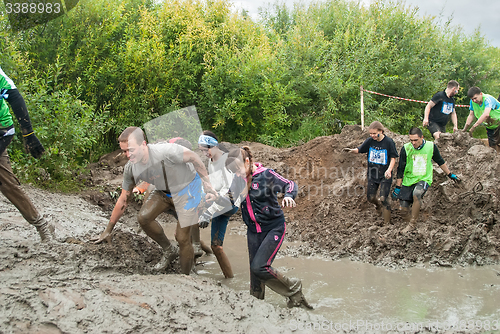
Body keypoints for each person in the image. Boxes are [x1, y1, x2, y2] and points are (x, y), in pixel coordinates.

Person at [93, 127, 216, 275]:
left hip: (188, 190)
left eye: (131, 150)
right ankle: (169, 250)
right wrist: (107, 231)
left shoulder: (166, 151)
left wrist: (208, 187)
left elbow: (194, 158)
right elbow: (123, 199)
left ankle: (186, 276)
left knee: (182, 237)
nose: (127, 155)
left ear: (143, 144)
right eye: (124, 151)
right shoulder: (131, 168)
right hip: (164, 192)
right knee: (143, 218)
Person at [208, 146, 312, 308]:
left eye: (238, 170)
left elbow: (289, 184)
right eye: (233, 172)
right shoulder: (238, 180)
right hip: (253, 231)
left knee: (259, 266)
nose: (237, 174)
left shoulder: (266, 175)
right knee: (255, 273)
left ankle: (294, 289)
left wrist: (289, 196)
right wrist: (215, 198)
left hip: (273, 228)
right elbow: (228, 200)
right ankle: (256, 305)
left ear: (248, 162)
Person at [0, 66, 55, 242]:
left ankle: (42, 225)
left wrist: (29, 134)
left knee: (6, 184)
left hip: (1, 130)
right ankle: (42, 224)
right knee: (6, 182)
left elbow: (14, 96)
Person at [392, 127, 460, 232]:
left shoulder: (431, 146)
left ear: (422, 137)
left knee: (417, 193)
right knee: (403, 209)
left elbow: (440, 161)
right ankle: (412, 225)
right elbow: (400, 169)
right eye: (411, 140)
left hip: (424, 178)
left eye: (416, 140)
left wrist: (450, 174)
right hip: (409, 180)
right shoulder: (406, 148)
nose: (413, 143)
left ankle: (412, 224)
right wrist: (397, 187)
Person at [197, 131, 239, 278]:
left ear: (214, 146)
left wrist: (208, 212)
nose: (204, 153)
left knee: (191, 208)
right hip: (218, 202)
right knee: (216, 246)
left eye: (205, 149)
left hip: (229, 203)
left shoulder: (226, 161)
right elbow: (215, 188)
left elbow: (227, 194)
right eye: (202, 151)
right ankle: (230, 278)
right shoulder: (212, 160)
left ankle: (194, 246)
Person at [343, 121, 398, 225]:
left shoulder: (389, 142)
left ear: (381, 131)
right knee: (371, 197)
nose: (372, 135)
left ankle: (387, 223)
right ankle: (377, 206)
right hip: (373, 174)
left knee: (383, 198)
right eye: (371, 133)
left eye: (374, 133)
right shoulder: (370, 141)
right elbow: (360, 149)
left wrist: (389, 170)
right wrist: (351, 150)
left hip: (385, 175)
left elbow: (393, 158)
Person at [463, 86, 500, 153]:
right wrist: (465, 129)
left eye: (475, 98)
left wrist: (474, 127)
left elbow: (486, 114)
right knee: (492, 147)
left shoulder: (488, 99)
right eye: (472, 99)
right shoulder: (473, 102)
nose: (474, 100)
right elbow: (471, 115)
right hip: (490, 126)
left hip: (499, 122)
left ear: (480, 94)